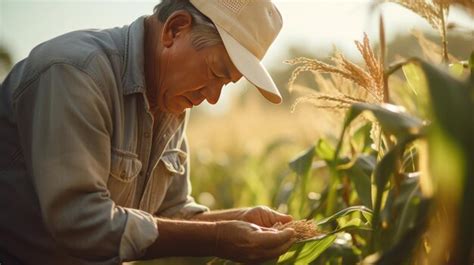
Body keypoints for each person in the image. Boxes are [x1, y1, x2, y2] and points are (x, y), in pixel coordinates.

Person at [0, 0, 296, 264]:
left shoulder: (173, 100)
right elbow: (79, 221)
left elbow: (170, 213)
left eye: (226, 83)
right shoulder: (75, 74)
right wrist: (217, 238)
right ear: (175, 29)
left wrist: (239, 219)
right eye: (216, 72)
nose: (213, 97)